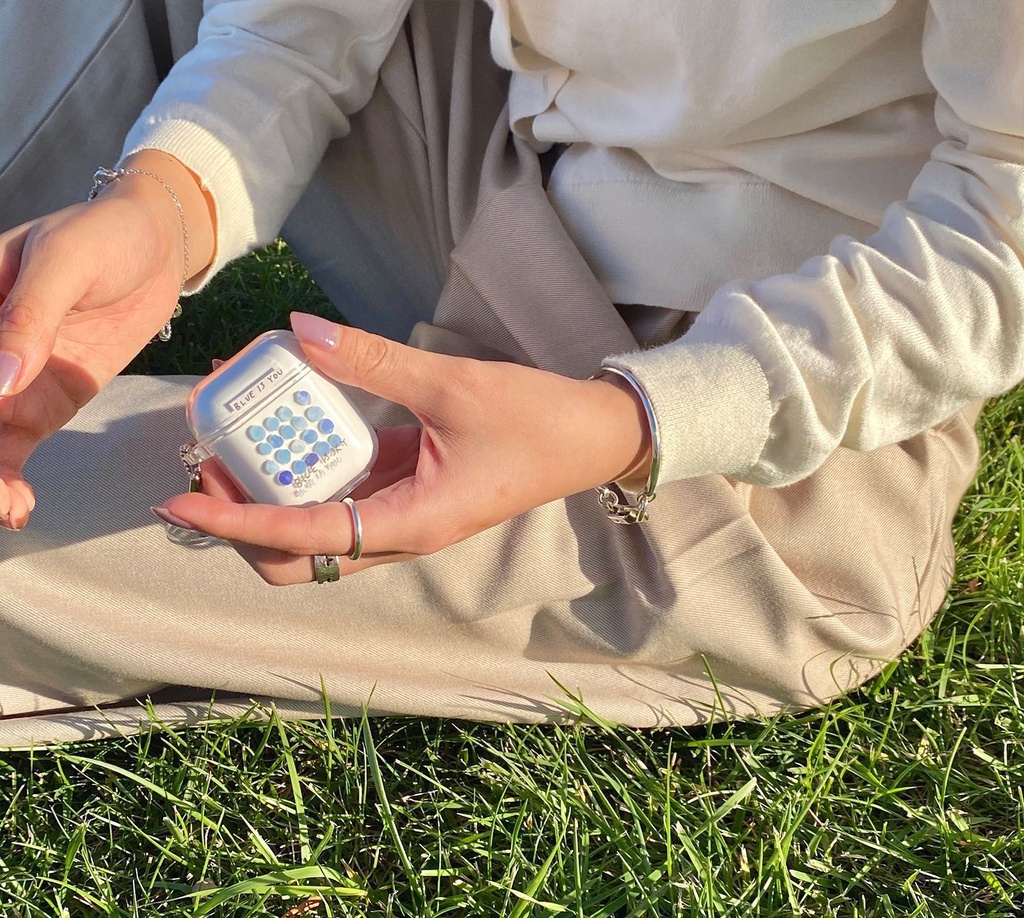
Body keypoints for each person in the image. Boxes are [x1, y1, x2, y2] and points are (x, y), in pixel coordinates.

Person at [0, 0, 1020, 748]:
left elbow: (1001, 237)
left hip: (758, 403)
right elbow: (295, 23)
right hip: (499, 148)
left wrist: (632, 422)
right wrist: (166, 203)